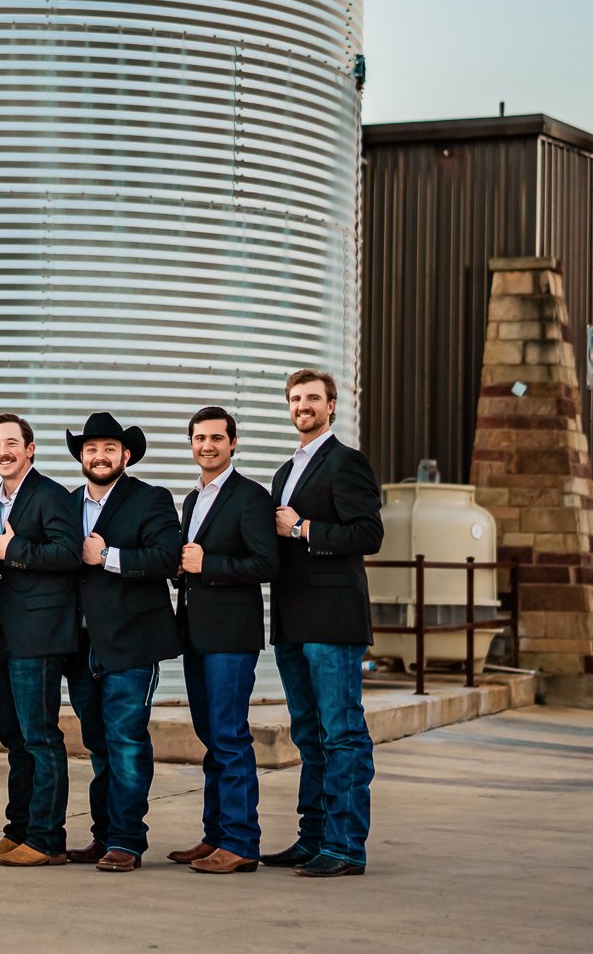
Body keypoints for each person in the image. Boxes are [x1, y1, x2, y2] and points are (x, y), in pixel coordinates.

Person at [264, 369, 384, 878]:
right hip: (291, 620)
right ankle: (312, 837)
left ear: (331, 406)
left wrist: (304, 527)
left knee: (342, 734)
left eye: (313, 398)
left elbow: (369, 533)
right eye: (296, 399)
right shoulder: (285, 470)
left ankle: (345, 846)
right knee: (309, 735)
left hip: (333, 622)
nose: (303, 406)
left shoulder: (347, 462)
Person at [62, 412, 182, 873]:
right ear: (81, 457)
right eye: (91, 449)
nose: (100, 455)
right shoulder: (68, 503)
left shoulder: (151, 499)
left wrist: (107, 556)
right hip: (81, 645)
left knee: (127, 740)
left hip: (132, 641)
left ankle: (128, 840)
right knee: (97, 744)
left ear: (125, 455)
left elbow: (166, 557)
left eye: (109, 448)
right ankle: (103, 834)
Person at [166, 407, 278, 874]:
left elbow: (266, 564)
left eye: (216, 437)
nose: (206, 445)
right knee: (211, 736)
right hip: (195, 631)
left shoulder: (250, 497)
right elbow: (192, 563)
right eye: (199, 438)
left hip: (231, 637)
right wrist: (181, 570)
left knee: (230, 737)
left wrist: (205, 565)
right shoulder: (194, 500)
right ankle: (214, 836)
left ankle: (240, 843)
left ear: (233, 443)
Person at [0, 413, 82, 868]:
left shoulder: (50, 495)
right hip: (0, 634)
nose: (3, 451)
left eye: (11, 443)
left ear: (30, 448)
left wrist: (14, 550)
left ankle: (47, 839)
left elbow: (68, 553)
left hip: (39, 636)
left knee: (40, 736)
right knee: (14, 738)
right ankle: (17, 830)